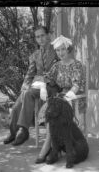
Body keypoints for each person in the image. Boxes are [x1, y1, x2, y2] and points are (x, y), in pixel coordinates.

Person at [3, 26, 58, 146]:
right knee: (19, 102)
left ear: (48, 35)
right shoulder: (35, 55)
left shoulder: (57, 50)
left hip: (51, 86)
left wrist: (46, 80)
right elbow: (30, 73)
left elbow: (61, 69)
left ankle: (24, 130)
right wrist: (25, 85)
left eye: (42, 35)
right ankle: (13, 132)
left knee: (28, 94)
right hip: (36, 86)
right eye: (38, 37)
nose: (41, 39)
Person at [35, 35, 86, 163]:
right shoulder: (57, 65)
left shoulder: (76, 65)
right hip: (61, 96)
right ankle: (52, 147)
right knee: (50, 110)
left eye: (63, 49)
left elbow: (77, 85)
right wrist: (42, 87)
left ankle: (48, 147)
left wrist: (68, 96)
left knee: (55, 111)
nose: (60, 53)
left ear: (68, 49)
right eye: (57, 50)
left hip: (73, 96)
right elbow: (45, 77)